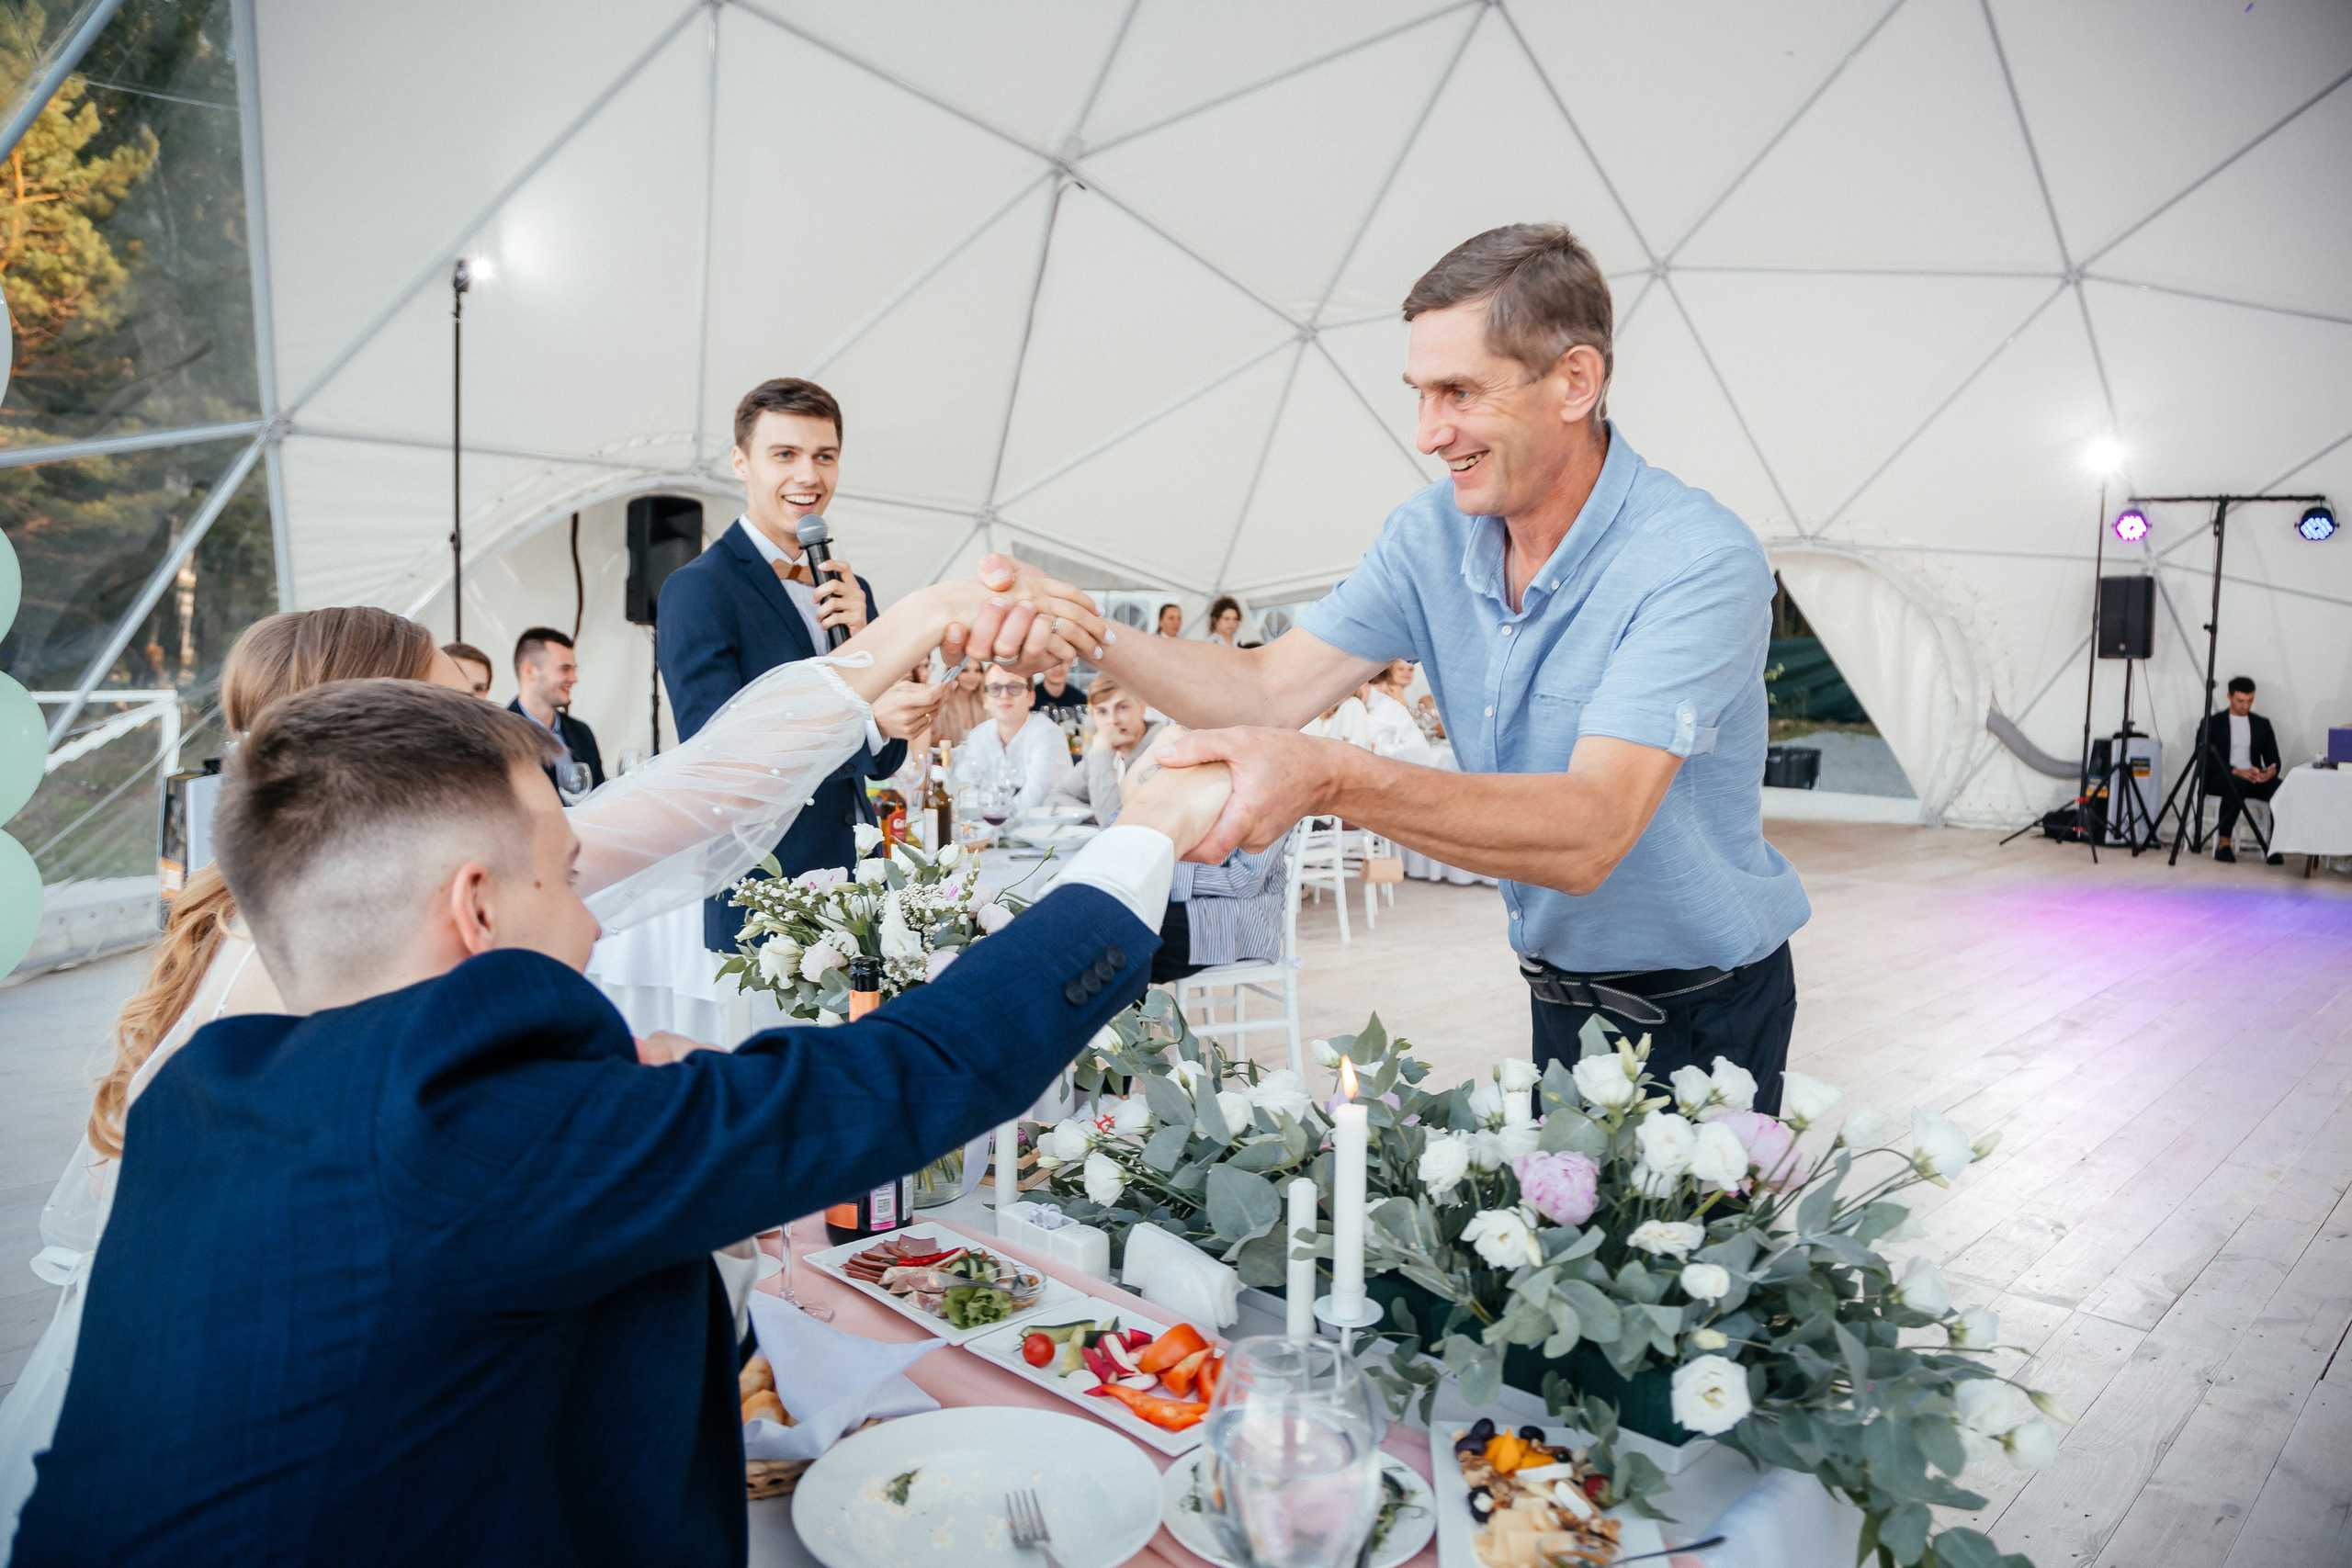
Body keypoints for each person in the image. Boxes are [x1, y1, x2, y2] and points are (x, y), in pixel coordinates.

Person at [15, 671, 1229, 1564]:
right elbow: (923, 1064)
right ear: (476, 907)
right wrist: (1150, 830)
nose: (594, 920)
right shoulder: (476, 1136)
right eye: (566, 871)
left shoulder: (204, 1095)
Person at [1054, 223, 1810, 1111]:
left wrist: (1328, 777)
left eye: (1458, 392)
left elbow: (1590, 831)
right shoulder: (1431, 532)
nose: (1428, 432)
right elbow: (1266, 687)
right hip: (1558, 997)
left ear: (1576, 381)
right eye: (1419, 393)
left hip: (1701, 1015)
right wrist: (1083, 631)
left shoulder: (1694, 558)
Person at [656, 378, 931, 952]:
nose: (809, 476)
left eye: (823, 457)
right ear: (741, 462)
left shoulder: (851, 588)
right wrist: (870, 724)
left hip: (860, 891)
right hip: (766, 902)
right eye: (785, 454)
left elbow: (886, 761)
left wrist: (865, 641)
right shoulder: (697, 590)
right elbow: (721, 758)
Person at [1045, 674, 1162, 824]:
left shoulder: (1162, 751)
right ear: (1093, 717)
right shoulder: (1102, 749)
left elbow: (1113, 822)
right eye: (1102, 712)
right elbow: (1055, 797)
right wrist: (1094, 814)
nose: (1112, 720)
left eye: (1122, 707)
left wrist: (1102, 752)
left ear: (1142, 708)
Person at [955, 667, 1069, 815]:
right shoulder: (978, 735)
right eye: (995, 688)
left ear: (1031, 698)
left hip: (1049, 831)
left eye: (1014, 687)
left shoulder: (1048, 733)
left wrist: (987, 803)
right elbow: (962, 790)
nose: (1004, 695)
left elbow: (1032, 803)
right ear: (985, 700)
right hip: (995, 831)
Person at [510, 626, 605, 793]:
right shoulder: (500, 735)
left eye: (574, 670)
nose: (574, 679)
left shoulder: (581, 733)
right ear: (529, 671)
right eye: (564, 669)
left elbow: (600, 796)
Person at [2201, 675, 2283, 863]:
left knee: (2280, 787)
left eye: (2250, 701)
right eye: (2240, 701)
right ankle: (2224, 844)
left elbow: (2273, 758)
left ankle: (2276, 845)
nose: (2246, 706)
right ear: (2229, 697)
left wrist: (2269, 772)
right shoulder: (2214, 722)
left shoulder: (2261, 724)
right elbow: (2205, 759)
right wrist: (2238, 771)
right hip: (2222, 777)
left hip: (2253, 777)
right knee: (2236, 783)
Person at [1032, 660, 1088, 727]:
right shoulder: (1029, 699)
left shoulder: (1081, 700)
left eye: (1062, 662)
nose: (1057, 669)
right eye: (1051, 664)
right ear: (1041, 666)